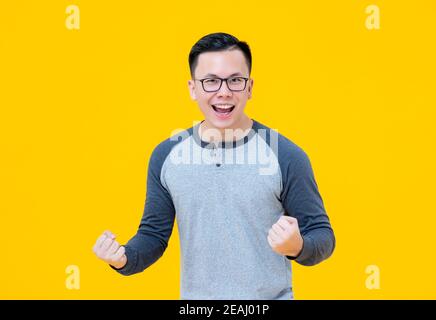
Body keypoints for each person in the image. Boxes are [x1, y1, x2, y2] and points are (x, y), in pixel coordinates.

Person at [93, 32, 336, 300]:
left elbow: (323, 237)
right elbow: (153, 236)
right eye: (210, 81)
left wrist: (299, 246)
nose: (223, 92)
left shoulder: (285, 156)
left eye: (235, 80)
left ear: (250, 87)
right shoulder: (167, 156)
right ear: (193, 89)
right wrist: (123, 258)